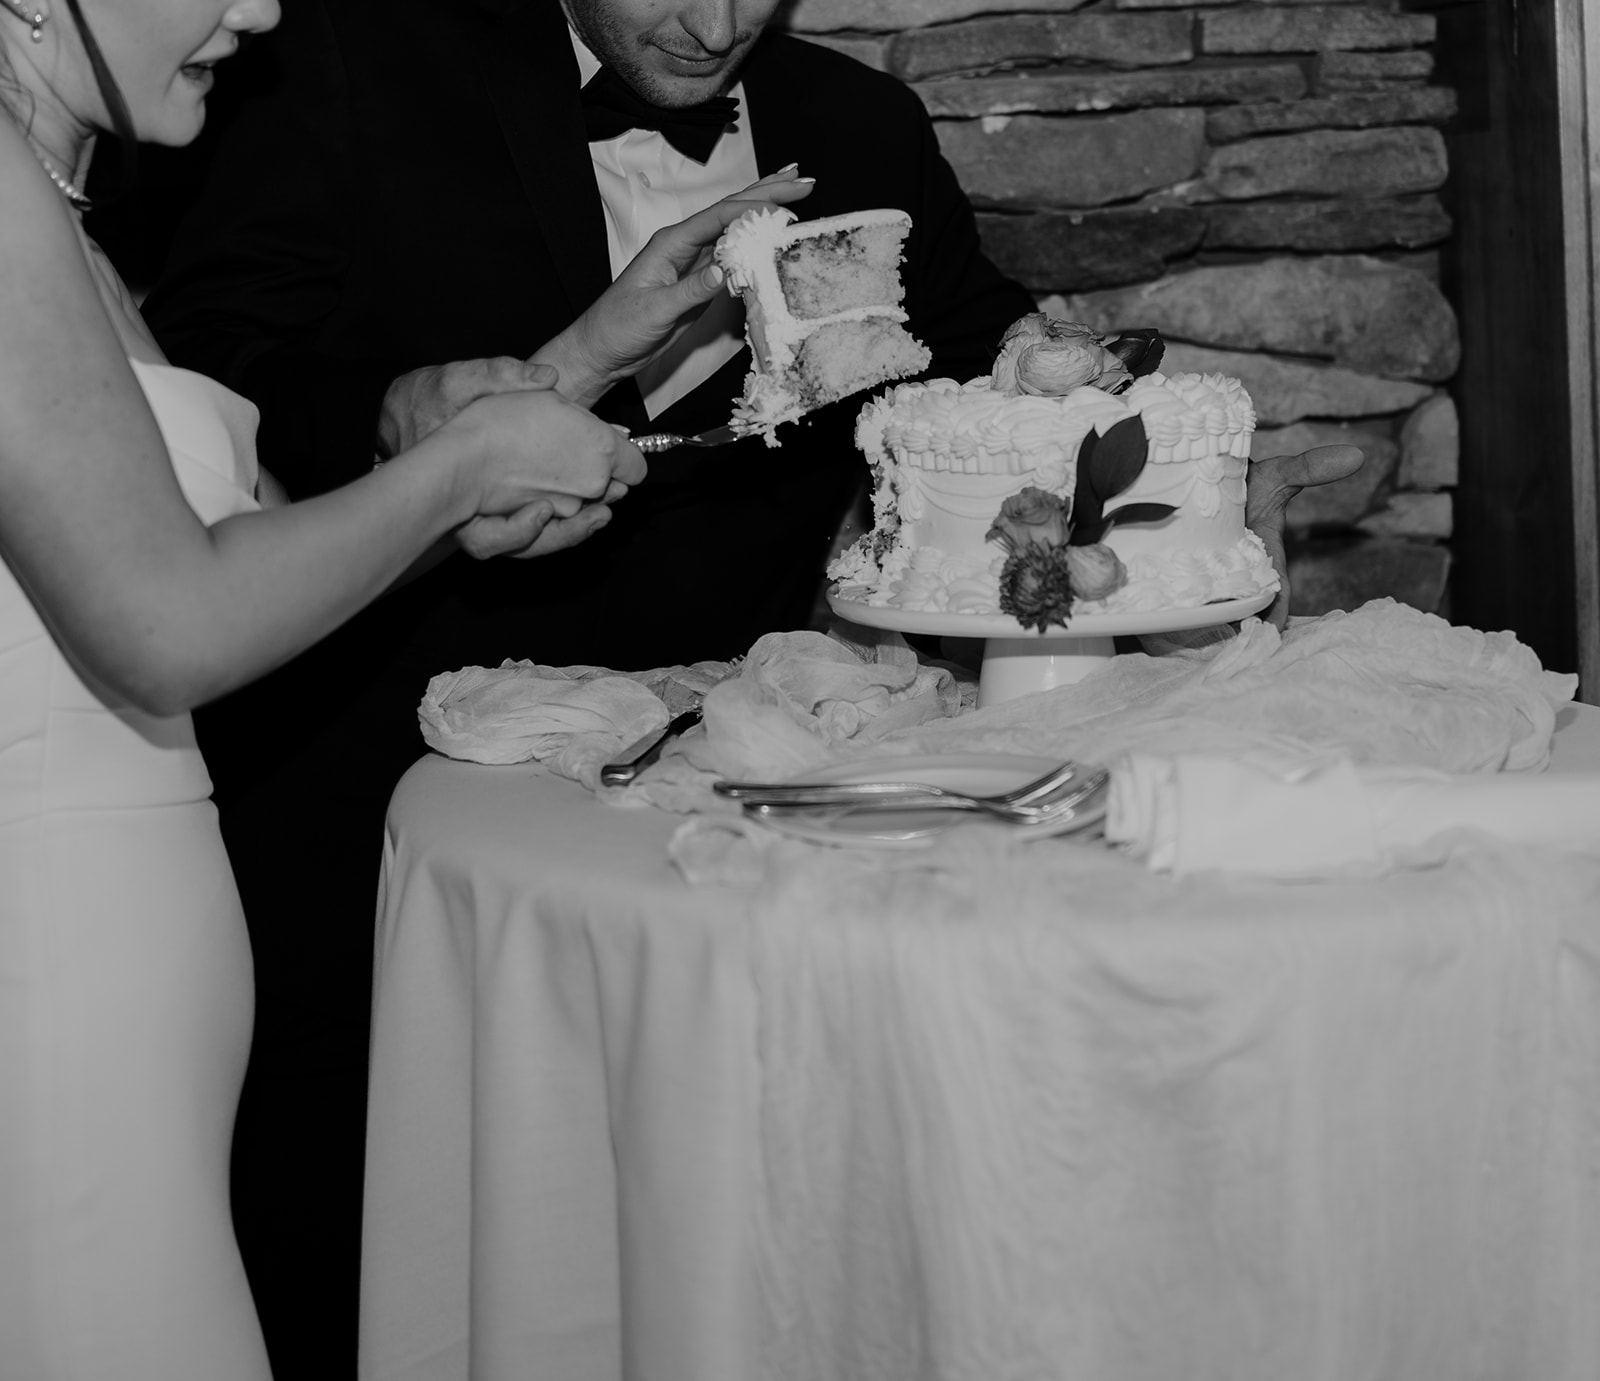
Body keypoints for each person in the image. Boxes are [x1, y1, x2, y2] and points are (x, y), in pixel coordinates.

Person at [134, 0, 1362, 1373]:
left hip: (722, 798)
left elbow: (975, 345)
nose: (715, 21)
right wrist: (390, 410)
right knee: (377, 1233)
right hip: (387, 784)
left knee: (694, 1241)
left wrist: (1068, 386)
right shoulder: (353, 64)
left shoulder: (860, 125)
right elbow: (209, 347)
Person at [0, 0, 816, 1375]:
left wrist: (578, 366)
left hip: (141, 985)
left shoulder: (59, 209)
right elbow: (163, 626)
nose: (260, 8)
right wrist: (461, 474)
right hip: (55, 973)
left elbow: (251, 547)